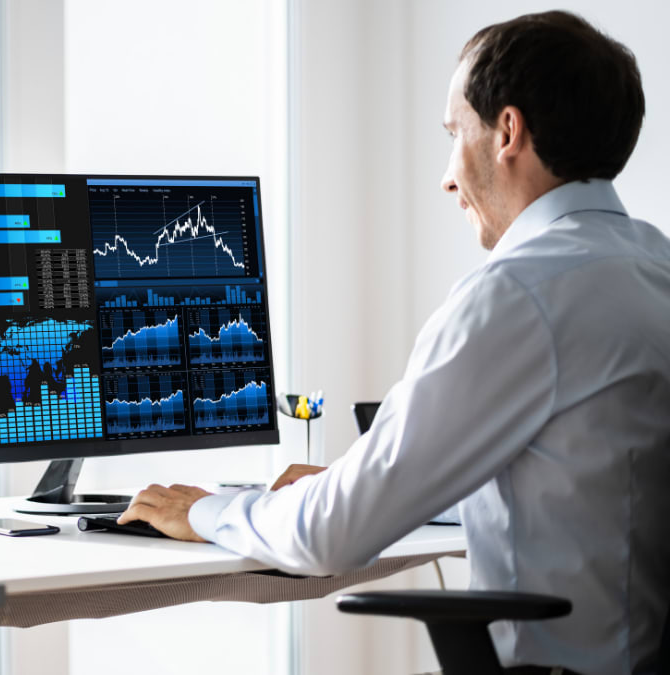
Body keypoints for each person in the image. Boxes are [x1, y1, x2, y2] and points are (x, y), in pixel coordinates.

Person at [119, 11, 670, 674]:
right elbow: (590, 479)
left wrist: (205, 509)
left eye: (453, 134)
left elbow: (329, 536)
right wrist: (367, 480)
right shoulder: (650, 267)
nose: (446, 176)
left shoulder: (518, 295)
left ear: (508, 132)